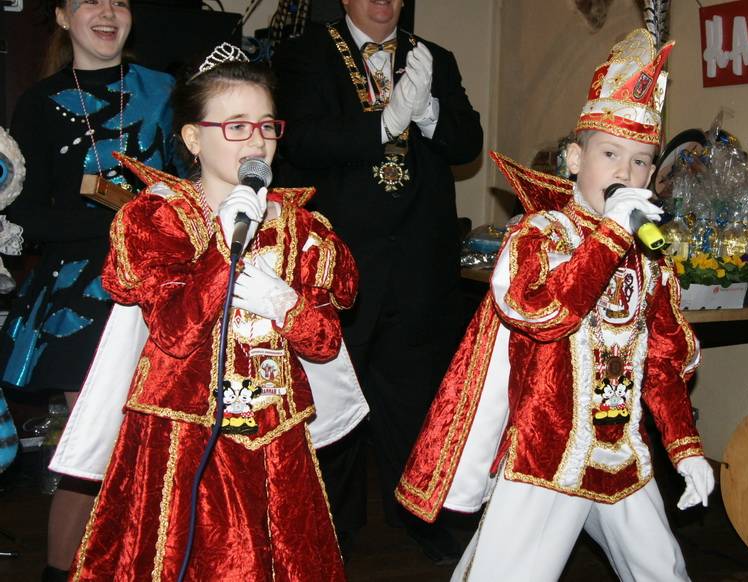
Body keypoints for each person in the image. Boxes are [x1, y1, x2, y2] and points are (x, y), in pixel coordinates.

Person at [395, 29, 717, 581]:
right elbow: (543, 312)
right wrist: (612, 237)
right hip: (546, 457)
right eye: (610, 154)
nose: (625, 173)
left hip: (621, 455)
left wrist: (685, 448)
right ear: (574, 158)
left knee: (663, 571)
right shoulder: (540, 236)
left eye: (641, 163)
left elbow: (662, 362)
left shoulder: (649, 257)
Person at [66, 44, 358, 580]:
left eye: (268, 126)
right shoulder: (158, 219)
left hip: (276, 438)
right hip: (184, 441)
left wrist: (285, 305)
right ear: (194, 138)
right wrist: (225, 246)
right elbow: (175, 333)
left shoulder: (302, 230)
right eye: (238, 126)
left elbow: (324, 343)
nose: (258, 142)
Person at [272, 0, 483, 563]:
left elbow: (467, 145)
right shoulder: (305, 53)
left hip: (419, 258)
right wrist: (385, 124)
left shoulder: (435, 57)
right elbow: (303, 142)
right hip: (342, 259)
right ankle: (332, 525)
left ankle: (418, 513)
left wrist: (429, 111)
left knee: (416, 397)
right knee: (333, 397)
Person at [0, 1, 174, 580]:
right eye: (90, 0)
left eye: (120, 0)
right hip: (79, 299)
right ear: (61, 15)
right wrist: (115, 220)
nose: (107, 12)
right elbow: (21, 212)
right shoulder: (40, 104)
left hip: (166, 291)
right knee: (95, 447)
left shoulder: (169, 91)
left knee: (156, 447)